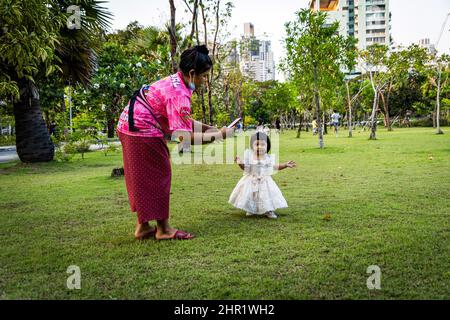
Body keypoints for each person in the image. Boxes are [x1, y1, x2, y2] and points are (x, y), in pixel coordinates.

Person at [117, 45, 234, 241]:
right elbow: (184, 138)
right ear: (192, 73)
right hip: (143, 129)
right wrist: (219, 136)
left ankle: (143, 227)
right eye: (204, 76)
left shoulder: (175, 82)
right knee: (160, 174)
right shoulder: (180, 94)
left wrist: (210, 129)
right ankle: (163, 230)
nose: (206, 81)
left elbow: (186, 122)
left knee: (141, 178)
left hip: (127, 126)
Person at [229, 132, 296, 219]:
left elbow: (275, 167)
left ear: (267, 146)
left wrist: (285, 165)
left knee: (265, 194)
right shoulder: (249, 156)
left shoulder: (268, 158)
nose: (259, 146)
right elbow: (245, 167)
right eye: (257, 144)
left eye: (263, 144)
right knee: (251, 194)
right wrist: (239, 162)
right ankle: (251, 209)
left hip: (265, 180)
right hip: (251, 179)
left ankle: (268, 210)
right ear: (252, 146)